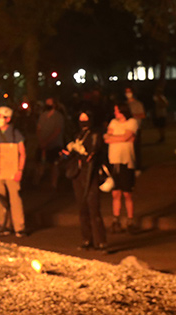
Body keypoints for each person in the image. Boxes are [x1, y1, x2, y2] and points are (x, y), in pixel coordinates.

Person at [63, 111, 106, 251]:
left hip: (90, 174)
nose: (83, 122)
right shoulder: (77, 135)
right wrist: (68, 153)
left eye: (85, 118)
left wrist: (88, 153)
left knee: (93, 208)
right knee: (82, 208)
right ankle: (87, 239)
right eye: (81, 119)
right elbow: (72, 154)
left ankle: (100, 241)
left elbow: (96, 152)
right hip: (78, 174)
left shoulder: (95, 135)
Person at [0, 106, 27, 237]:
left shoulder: (15, 133)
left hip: (12, 171)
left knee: (15, 199)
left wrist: (20, 170)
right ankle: (4, 226)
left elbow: (22, 153)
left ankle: (19, 227)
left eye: (1, 116)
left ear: (8, 119)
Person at [104, 101, 138, 233]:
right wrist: (121, 138)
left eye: (117, 110)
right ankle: (116, 219)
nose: (115, 113)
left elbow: (126, 137)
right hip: (114, 161)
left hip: (126, 161)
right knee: (115, 192)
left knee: (127, 193)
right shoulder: (113, 122)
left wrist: (114, 137)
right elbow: (107, 138)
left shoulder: (132, 122)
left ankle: (130, 219)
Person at [35, 97, 65, 189]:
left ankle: (53, 184)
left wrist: (47, 141)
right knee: (39, 163)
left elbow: (57, 131)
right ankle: (37, 182)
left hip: (55, 144)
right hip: (42, 143)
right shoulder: (42, 115)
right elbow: (38, 128)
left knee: (54, 164)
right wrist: (41, 141)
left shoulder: (58, 116)